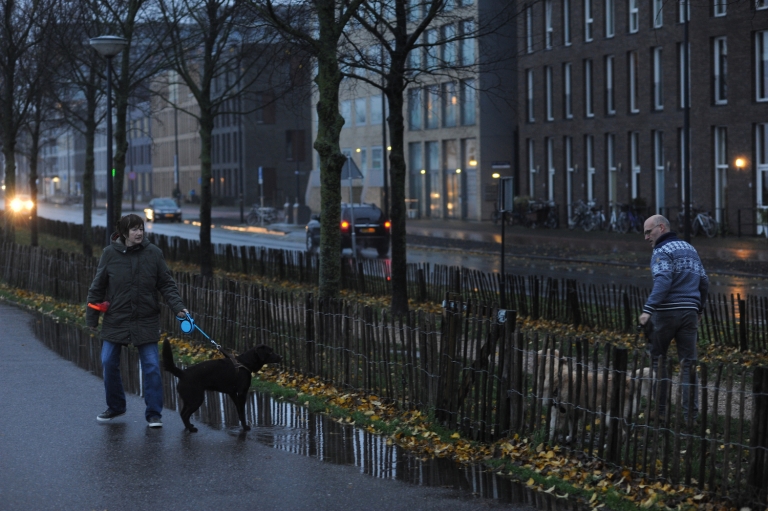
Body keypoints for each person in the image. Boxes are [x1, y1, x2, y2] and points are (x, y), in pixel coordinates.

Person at [86, 214, 188, 428]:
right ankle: (116, 406)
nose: (139, 233)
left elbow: (166, 284)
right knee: (108, 361)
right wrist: (92, 318)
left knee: (151, 366)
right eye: (134, 229)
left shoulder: (154, 253)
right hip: (116, 319)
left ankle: (154, 414)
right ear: (124, 233)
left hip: (146, 319)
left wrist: (178, 307)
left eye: (141, 228)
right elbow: (97, 286)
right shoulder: (109, 254)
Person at [638, 214, 709, 422]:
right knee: (688, 364)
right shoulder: (690, 249)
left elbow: (663, 281)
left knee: (658, 360)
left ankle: (661, 411)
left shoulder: (661, 251)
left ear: (661, 228)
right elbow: (704, 282)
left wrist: (648, 310)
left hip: (667, 313)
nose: (646, 237)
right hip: (690, 313)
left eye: (648, 232)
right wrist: (699, 309)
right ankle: (690, 416)